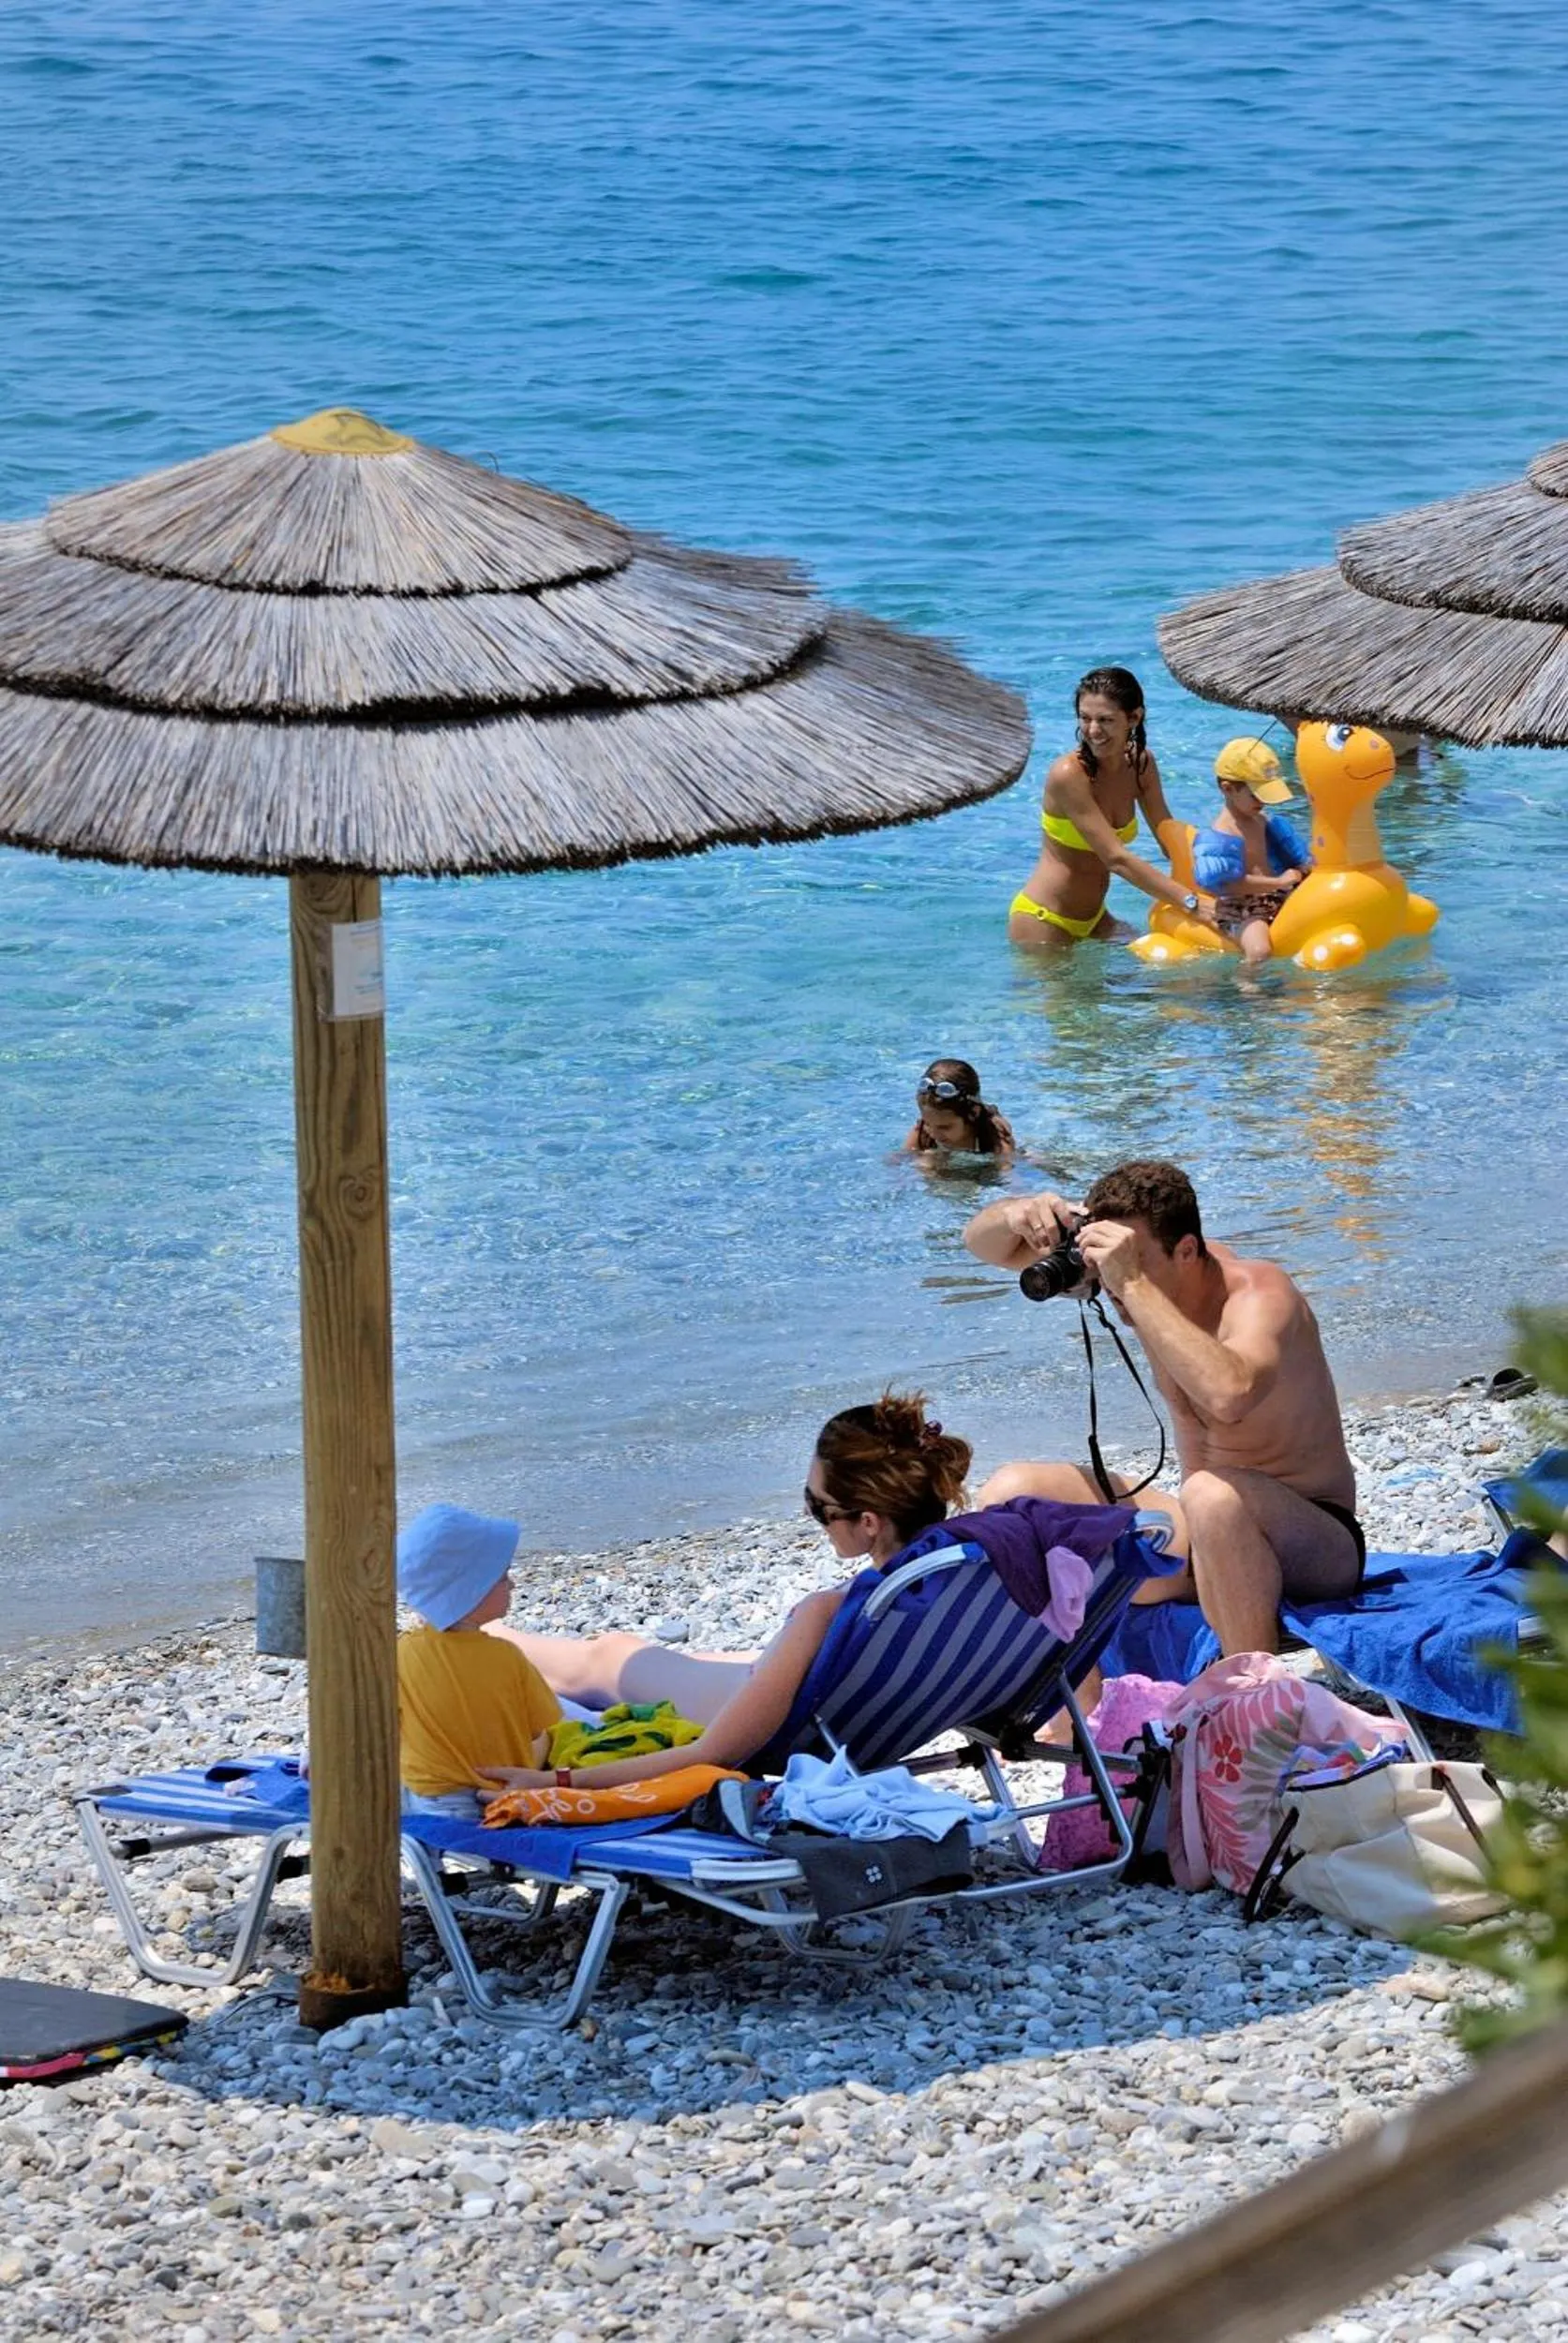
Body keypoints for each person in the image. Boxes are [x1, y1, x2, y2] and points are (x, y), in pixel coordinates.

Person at [963, 1159, 1363, 1655]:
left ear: (1187, 1250)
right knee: (1012, 1495)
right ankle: (1068, 1711)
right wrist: (1020, 1213)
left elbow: (1229, 1395)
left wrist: (1133, 1282)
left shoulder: (1260, 1293)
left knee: (1211, 1493)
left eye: (1130, 1259)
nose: (1113, 1280)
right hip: (1198, 1534)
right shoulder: (1132, 1280)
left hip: (1312, 1541)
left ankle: (1246, 1693)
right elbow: (980, 1244)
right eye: (1111, 1261)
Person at [479, 1395, 975, 1795]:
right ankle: (491, 1634)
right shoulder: (968, 1577)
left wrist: (552, 1782)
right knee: (678, 1657)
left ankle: (482, 1636)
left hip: (780, 1719)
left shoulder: (829, 1610)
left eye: (818, 1506)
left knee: (608, 1659)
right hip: (871, 1703)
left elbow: (710, 1754)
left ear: (868, 1522)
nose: (814, 1517)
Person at [1008, 665, 1220, 948]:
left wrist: (1227, 879)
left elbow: (1170, 839)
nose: (1093, 731)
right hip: (1045, 920)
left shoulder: (1141, 765)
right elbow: (1116, 859)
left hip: (1098, 919)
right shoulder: (1069, 774)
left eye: (1105, 720)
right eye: (1085, 718)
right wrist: (1192, 903)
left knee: (1155, 988)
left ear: (1133, 717)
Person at [395, 1502, 563, 1815]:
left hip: (426, 1801)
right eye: (503, 1576)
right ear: (472, 1590)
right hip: (494, 1803)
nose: (512, 1584)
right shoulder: (506, 1657)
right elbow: (542, 1728)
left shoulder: (400, 1654)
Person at [1192, 740, 1312, 964]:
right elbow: (1229, 884)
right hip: (1244, 907)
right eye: (1257, 795)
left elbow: (1299, 861)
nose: (1264, 801)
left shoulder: (1265, 821)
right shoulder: (1221, 836)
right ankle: (1248, 990)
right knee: (1259, 952)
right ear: (1228, 789)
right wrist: (1278, 882)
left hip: (1277, 892)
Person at [904, 1058, 1015, 1157]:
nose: (934, 1134)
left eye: (945, 1127)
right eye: (928, 1123)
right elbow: (900, 1162)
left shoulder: (995, 1135)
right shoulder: (922, 1133)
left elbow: (1007, 1173)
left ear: (973, 1113)